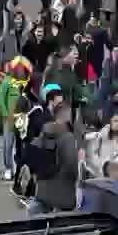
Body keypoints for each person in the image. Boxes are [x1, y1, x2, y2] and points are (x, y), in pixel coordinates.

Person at [27, 84, 80, 215]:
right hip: (62, 197)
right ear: (67, 116)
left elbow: (31, 157)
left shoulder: (44, 133)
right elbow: (72, 167)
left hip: (42, 192)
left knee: (36, 228)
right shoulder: (67, 137)